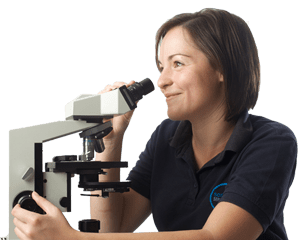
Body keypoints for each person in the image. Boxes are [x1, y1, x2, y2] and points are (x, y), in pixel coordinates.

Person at [11, 8, 297, 240]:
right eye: (161, 67)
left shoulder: (271, 141)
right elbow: (113, 228)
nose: (162, 81)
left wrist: (71, 239)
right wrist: (110, 143)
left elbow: (216, 237)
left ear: (222, 67)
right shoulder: (168, 137)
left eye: (178, 64)